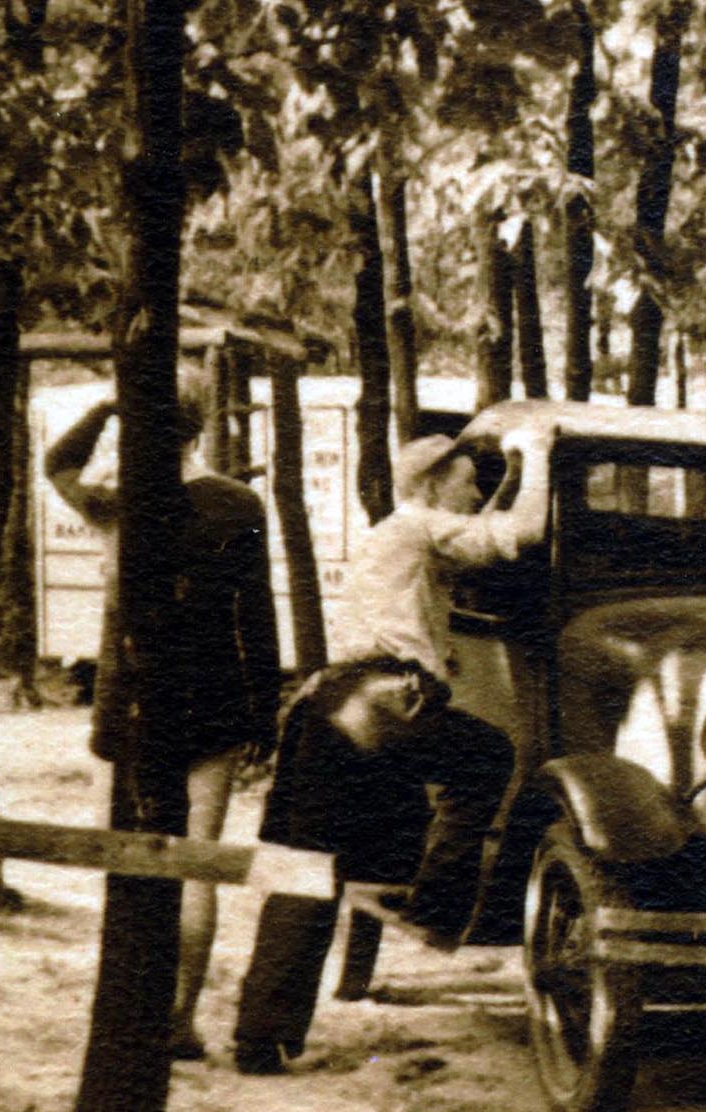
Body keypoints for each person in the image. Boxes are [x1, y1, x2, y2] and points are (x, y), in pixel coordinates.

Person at [233, 421, 553, 1075]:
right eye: (469, 481)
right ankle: (440, 904)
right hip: (384, 701)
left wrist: (505, 481)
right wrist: (538, 455)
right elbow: (521, 533)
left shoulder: (395, 534)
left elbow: (482, 526)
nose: (477, 494)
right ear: (435, 481)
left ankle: (260, 1034)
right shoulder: (416, 527)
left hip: (325, 710)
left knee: (307, 869)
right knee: (487, 755)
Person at [45, 395, 281, 1061]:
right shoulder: (238, 505)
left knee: (127, 859)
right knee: (198, 862)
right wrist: (264, 707)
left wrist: (109, 405)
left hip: (129, 704)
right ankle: (178, 1020)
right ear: (196, 435)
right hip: (214, 699)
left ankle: (128, 1009)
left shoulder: (116, 503)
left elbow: (57, 461)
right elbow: (256, 610)